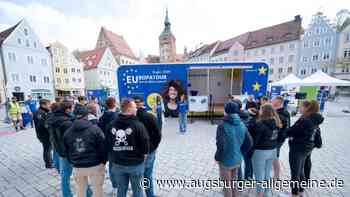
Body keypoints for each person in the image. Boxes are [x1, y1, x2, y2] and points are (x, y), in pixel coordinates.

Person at [106, 98, 150, 197]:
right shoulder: (138, 125)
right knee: (138, 192)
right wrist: (143, 158)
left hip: (118, 165)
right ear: (129, 108)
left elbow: (107, 144)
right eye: (135, 107)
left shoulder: (111, 125)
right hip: (135, 165)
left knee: (121, 191)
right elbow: (145, 145)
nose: (136, 109)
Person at [48, 101, 92, 197]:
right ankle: (89, 194)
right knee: (81, 175)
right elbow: (73, 139)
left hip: (60, 151)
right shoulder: (66, 123)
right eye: (71, 108)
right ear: (67, 109)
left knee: (65, 176)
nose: (72, 110)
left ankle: (66, 194)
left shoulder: (52, 118)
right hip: (71, 153)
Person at [63, 105, 107, 197]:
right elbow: (103, 148)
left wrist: (72, 162)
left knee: (80, 191)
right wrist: (103, 161)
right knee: (97, 189)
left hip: (78, 166)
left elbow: (66, 151)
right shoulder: (95, 129)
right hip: (95, 165)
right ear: (87, 116)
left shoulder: (68, 132)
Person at [286, 100, 324, 197]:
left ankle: (294, 194)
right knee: (301, 171)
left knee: (295, 172)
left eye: (301, 106)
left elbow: (291, 131)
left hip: (298, 148)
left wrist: (289, 134)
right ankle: (301, 191)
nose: (299, 108)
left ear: (307, 108)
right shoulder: (314, 119)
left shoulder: (305, 120)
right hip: (307, 148)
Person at [215, 102, 249, 197]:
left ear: (225, 111)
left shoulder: (222, 125)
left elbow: (220, 144)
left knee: (227, 185)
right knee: (233, 181)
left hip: (226, 161)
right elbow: (249, 142)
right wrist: (240, 152)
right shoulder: (242, 124)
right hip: (237, 159)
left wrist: (217, 158)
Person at [250, 104, 281, 197]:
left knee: (259, 174)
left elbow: (255, 140)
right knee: (267, 173)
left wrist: (250, 151)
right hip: (272, 150)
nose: (259, 111)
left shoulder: (260, 124)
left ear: (264, 112)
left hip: (260, 152)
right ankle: (266, 193)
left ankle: (259, 194)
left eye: (260, 109)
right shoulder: (276, 122)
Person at [133, 96, 162, 197]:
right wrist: (154, 146)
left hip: (135, 152)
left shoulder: (131, 119)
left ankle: (137, 194)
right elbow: (158, 134)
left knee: (137, 177)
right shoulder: (150, 116)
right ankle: (150, 195)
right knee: (147, 175)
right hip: (149, 151)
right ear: (142, 103)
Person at [98, 96, 119, 195]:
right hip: (117, 144)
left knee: (111, 166)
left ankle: (115, 186)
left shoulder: (102, 117)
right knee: (119, 166)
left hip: (107, 144)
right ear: (114, 103)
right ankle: (120, 185)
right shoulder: (116, 116)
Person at [271, 96, 291, 180]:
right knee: (273, 157)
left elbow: (280, 126)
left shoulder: (282, 113)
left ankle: (276, 176)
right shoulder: (281, 112)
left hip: (278, 138)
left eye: (273, 100)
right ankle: (276, 175)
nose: (271, 101)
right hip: (278, 137)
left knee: (274, 157)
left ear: (278, 102)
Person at [33, 99, 53, 169]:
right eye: (48, 104)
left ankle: (49, 161)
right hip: (44, 135)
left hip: (45, 134)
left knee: (48, 148)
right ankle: (49, 164)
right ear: (43, 105)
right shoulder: (40, 113)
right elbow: (43, 125)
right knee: (47, 149)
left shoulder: (44, 111)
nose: (49, 105)